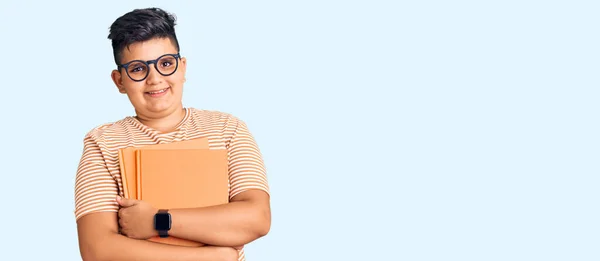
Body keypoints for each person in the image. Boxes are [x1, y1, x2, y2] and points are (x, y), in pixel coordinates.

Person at [74, 7, 271, 261]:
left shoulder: (227, 129)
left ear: (182, 67)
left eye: (166, 63)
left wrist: (158, 221)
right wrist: (212, 258)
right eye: (137, 69)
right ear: (119, 81)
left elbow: (257, 219)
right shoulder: (101, 143)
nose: (155, 79)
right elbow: (97, 249)